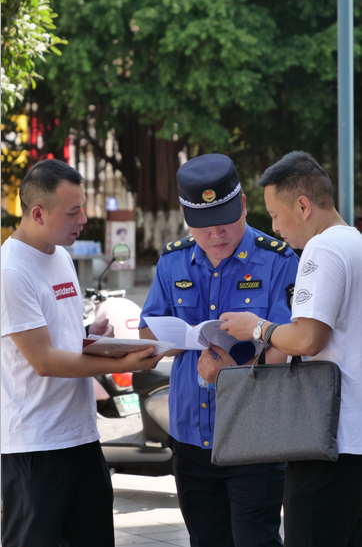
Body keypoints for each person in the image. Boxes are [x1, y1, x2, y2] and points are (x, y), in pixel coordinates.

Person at [139, 153, 299, 547]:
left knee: (254, 540)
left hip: (255, 434)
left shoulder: (278, 260)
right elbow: (148, 330)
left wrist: (235, 373)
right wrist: (177, 340)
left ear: (243, 204)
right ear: (184, 215)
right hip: (191, 435)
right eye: (203, 227)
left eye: (225, 223)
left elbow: (295, 345)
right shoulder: (173, 259)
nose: (216, 236)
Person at [1, 159, 163, 547]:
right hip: (36, 445)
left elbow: (62, 339)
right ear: (37, 213)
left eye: (84, 206)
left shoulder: (60, 256)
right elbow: (44, 361)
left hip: (81, 436)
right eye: (73, 211)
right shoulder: (11, 270)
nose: (84, 218)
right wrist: (122, 362)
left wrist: (94, 337)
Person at [220, 151, 362, 547]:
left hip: (329, 437)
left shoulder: (323, 250)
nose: (274, 227)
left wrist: (257, 327)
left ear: (303, 206)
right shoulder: (355, 242)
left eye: (276, 214)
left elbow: (306, 339)